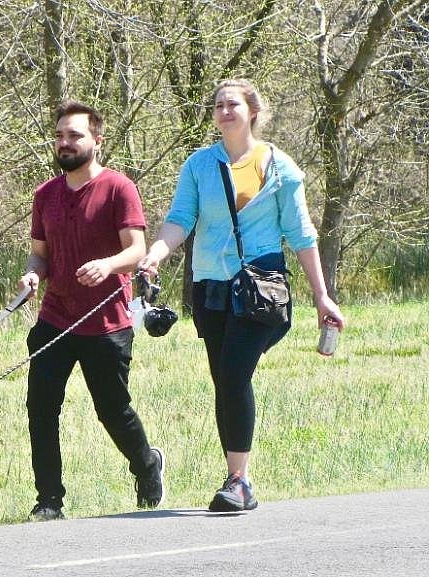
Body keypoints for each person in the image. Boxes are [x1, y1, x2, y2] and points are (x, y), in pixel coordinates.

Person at [139, 79, 345, 512]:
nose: (224, 111)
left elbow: (301, 234)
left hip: (260, 288)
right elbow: (180, 218)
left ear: (252, 110)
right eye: (218, 106)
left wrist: (322, 297)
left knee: (233, 374)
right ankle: (235, 477)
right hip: (211, 287)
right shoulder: (198, 165)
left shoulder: (279, 167)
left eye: (232, 104)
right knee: (224, 381)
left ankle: (240, 481)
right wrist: (155, 253)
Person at [18, 100, 164, 521]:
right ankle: (49, 500)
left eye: (75, 135)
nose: (65, 142)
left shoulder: (120, 188)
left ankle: (146, 465)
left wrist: (108, 265)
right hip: (55, 318)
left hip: (106, 322)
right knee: (41, 409)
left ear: (96, 141)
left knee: (112, 409)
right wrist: (32, 276)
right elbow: (39, 256)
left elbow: (136, 249)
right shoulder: (45, 194)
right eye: (60, 135)